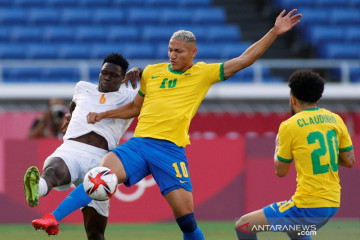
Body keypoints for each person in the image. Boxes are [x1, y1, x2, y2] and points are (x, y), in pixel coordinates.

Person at [32, 9, 302, 240]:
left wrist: (274, 32)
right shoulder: (152, 72)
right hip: (138, 145)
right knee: (98, 176)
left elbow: (244, 60)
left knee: (186, 220)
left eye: (178, 51)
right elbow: (135, 108)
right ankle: (52, 218)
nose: (172, 55)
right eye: (170, 50)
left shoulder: (203, 74)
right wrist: (103, 115)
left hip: (170, 150)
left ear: (193, 52)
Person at [24, 53, 138, 239]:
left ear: (123, 78)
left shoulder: (130, 97)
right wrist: (71, 117)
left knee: (95, 233)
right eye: (104, 73)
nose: (107, 77)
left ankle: (41, 188)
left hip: (101, 161)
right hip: (72, 149)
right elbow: (74, 106)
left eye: (113, 75)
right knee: (53, 169)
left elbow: (153, 88)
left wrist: (140, 72)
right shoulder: (82, 87)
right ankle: (38, 188)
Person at [234, 69, 355, 240]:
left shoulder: (289, 126)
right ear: (318, 98)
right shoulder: (335, 119)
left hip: (308, 204)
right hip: (332, 202)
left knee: (244, 226)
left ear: (293, 98)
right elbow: (349, 161)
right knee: (297, 231)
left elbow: (281, 171)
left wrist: (277, 146)